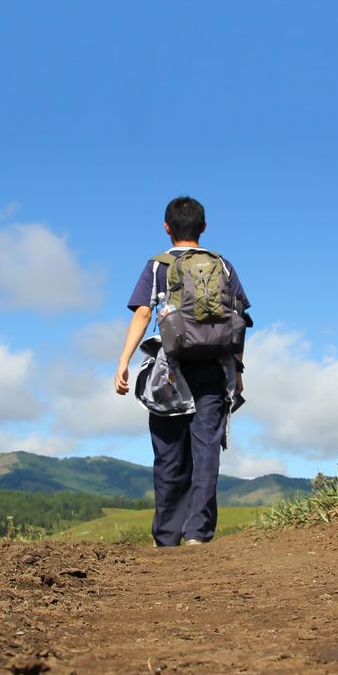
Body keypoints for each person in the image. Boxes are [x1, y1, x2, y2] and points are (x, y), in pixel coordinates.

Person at [114, 196, 250, 547]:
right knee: (206, 451)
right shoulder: (224, 266)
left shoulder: (157, 267)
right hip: (215, 366)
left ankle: (167, 536)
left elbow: (143, 314)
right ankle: (198, 534)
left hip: (169, 370)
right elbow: (240, 319)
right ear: (203, 228)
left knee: (169, 452)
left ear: (166, 227)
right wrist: (236, 372)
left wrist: (124, 361)